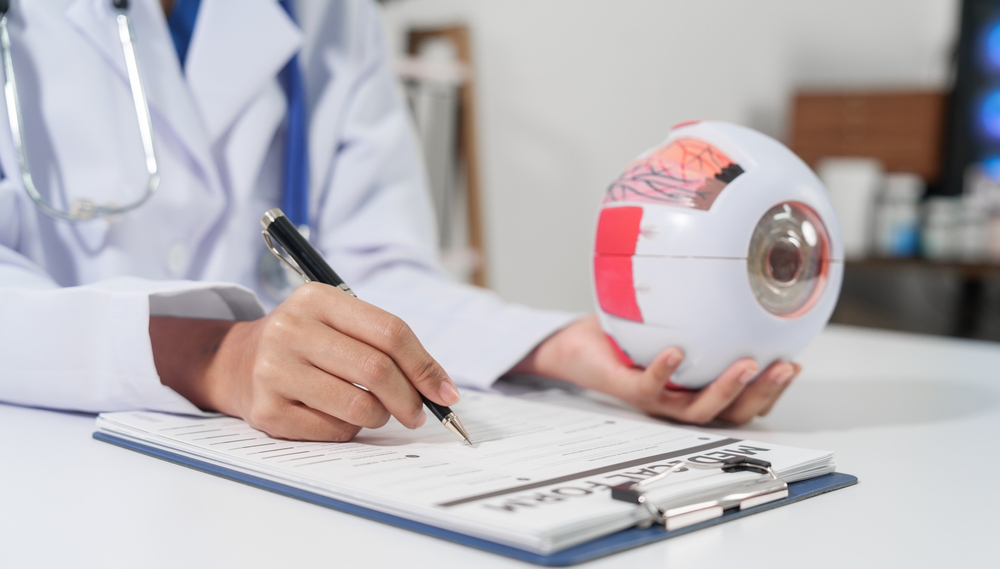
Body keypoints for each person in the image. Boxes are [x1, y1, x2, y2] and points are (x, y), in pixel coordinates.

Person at [0, 0, 799, 442]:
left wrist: (562, 349)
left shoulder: (328, 14)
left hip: (267, 474)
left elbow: (376, 274)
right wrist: (216, 354)